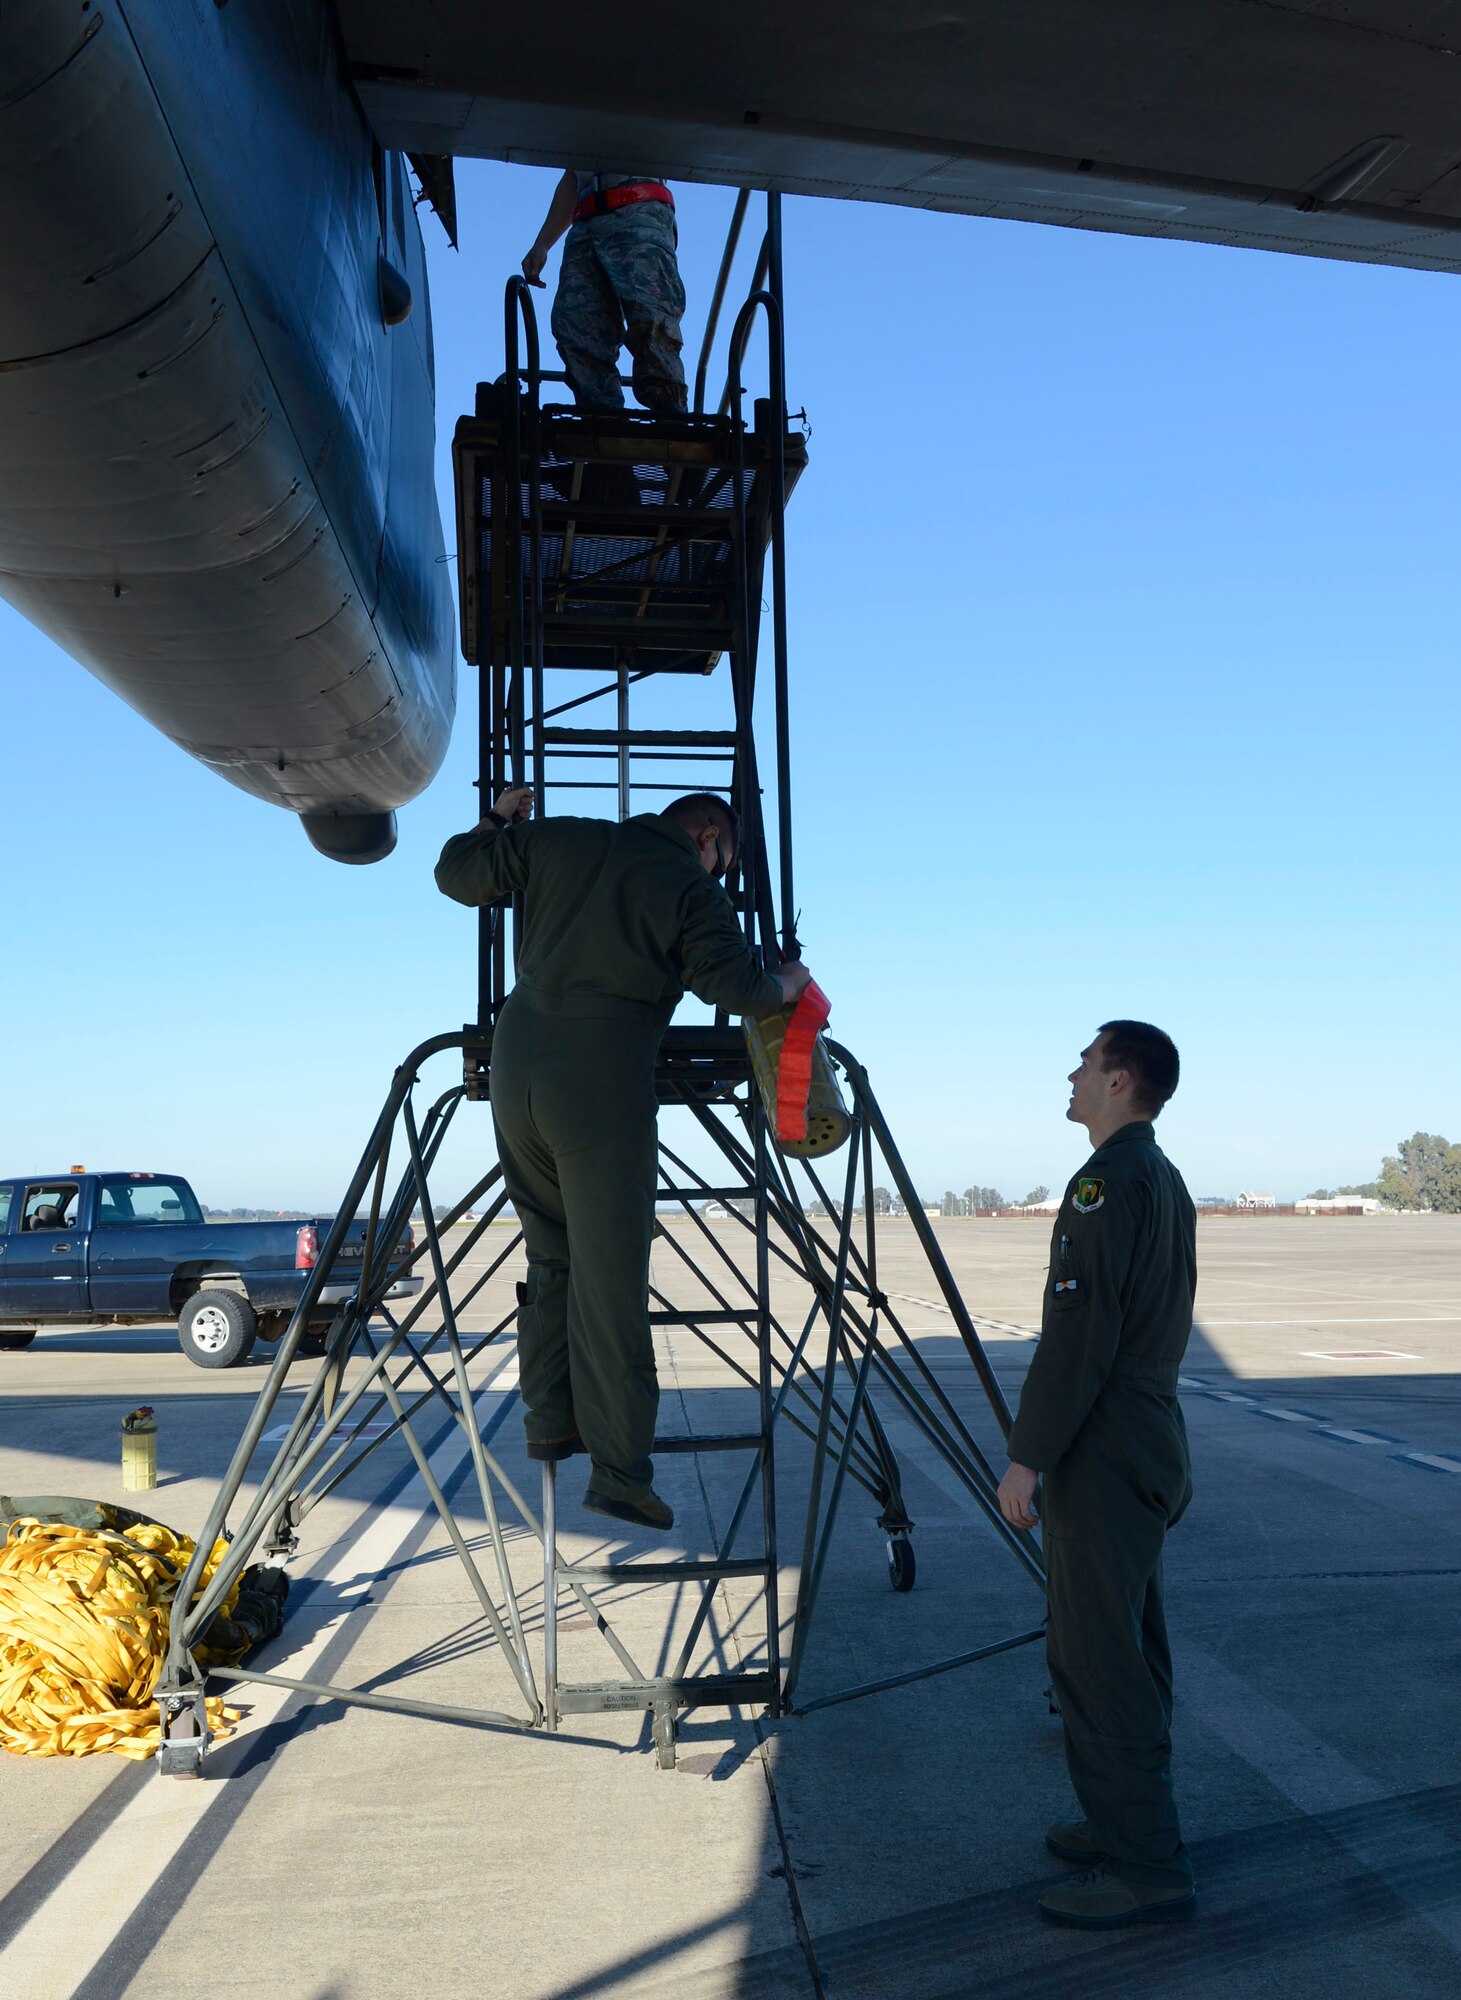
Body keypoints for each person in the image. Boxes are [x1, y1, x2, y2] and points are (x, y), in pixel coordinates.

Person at [435, 789, 808, 1531]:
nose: (721, 873)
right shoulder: (689, 886)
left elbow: (455, 874)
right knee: (609, 1280)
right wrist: (787, 985)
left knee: (552, 1258)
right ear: (707, 836)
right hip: (598, 1075)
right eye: (724, 861)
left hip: (517, 1061)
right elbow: (732, 986)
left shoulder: (559, 838)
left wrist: (499, 820)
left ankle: (552, 1421)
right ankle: (620, 1471)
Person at [997, 1021, 1198, 1929]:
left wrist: (1026, 1456)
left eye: (1083, 1062)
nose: (1071, 1075)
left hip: (1105, 1444)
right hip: (1150, 1433)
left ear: (1119, 1080)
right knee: (1131, 1639)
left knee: (1097, 1657)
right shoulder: (1162, 1177)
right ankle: (1119, 1816)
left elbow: (1078, 1341)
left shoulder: (1101, 1185)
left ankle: (1145, 1866)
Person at [522, 169, 688, 413]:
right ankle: (602, 422)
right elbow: (573, 175)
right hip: (585, 221)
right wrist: (543, 242)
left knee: (651, 321)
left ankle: (672, 425)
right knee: (577, 326)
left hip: (640, 205)